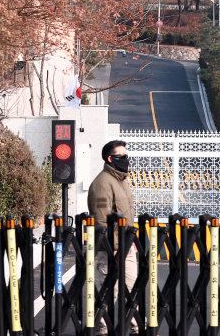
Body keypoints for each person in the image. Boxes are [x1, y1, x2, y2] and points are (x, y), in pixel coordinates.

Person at [88, 140, 137, 335]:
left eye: (126, 156)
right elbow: (102, 219)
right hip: (111, 249)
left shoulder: (121, 181)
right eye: (122, 156)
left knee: (133, 288)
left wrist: (130, 243)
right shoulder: (102, 183)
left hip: (126, 246)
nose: (126, 160)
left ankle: (134, 327)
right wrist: (114, 246)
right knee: (107, 291)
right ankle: (101, 329)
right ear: (110, 159)